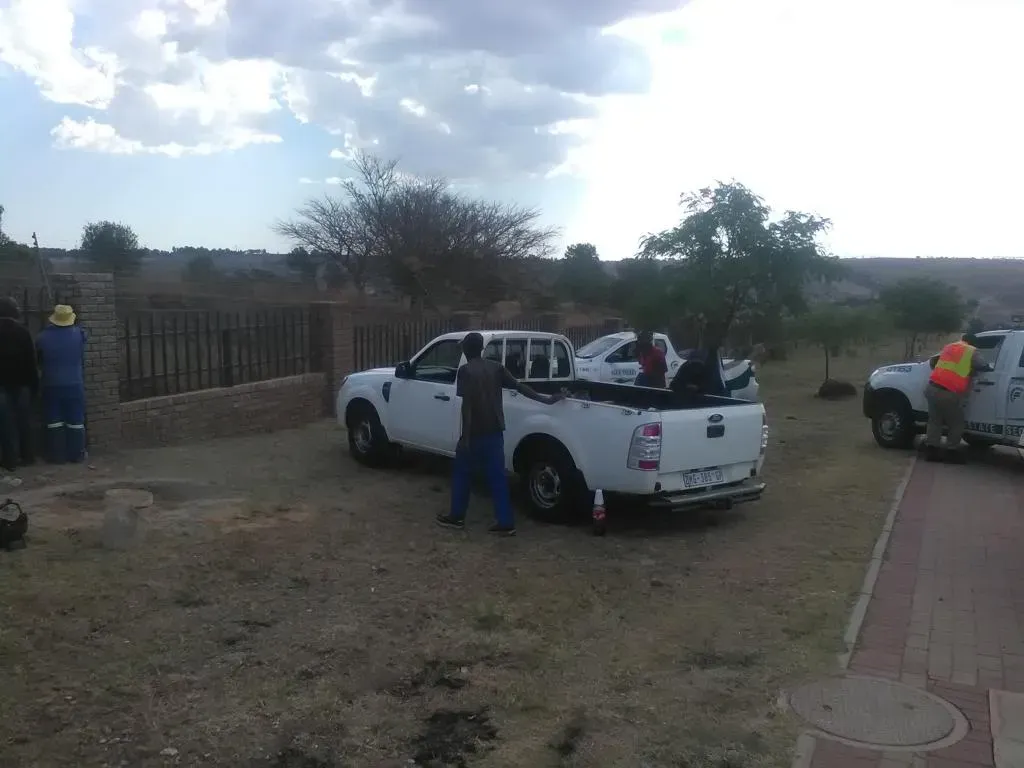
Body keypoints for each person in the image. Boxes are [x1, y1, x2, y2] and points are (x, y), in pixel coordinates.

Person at [436, 332, 564, 535]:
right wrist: (546, 400)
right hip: (495, 431)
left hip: (475, 432)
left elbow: (467, 407)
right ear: (481, 349)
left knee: (462, 474)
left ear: (466, 349)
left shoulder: (465, 371)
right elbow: (519, 387)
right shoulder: (496, 368)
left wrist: (465, 438)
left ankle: (457, 517)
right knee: (498, 478)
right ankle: (505, 522)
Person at [924, 332, 990, 464]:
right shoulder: (971, 350)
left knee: (935, 421)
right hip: (948, 392)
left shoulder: (949, 346)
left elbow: (933, 361)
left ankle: (931, 451)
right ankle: (951, 452)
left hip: (931, 388)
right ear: (973, 342)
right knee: (956, 423)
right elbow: (983, 365)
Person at [36, 304, 88, 464]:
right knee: (76, 420)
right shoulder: (79, 334)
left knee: (54, 420)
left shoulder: (42, 337)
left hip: (50, 383)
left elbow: (39, 358)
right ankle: (77, 454)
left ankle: (56, 455)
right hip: (74, 383)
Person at [0, 297, 39, 470]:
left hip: (2, 385)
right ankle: (28, 456)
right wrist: (34, 385)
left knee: (6, 425)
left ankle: (10, 460)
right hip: (23, 384)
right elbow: (31, 361)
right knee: (24, 421)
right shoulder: (23, 332)